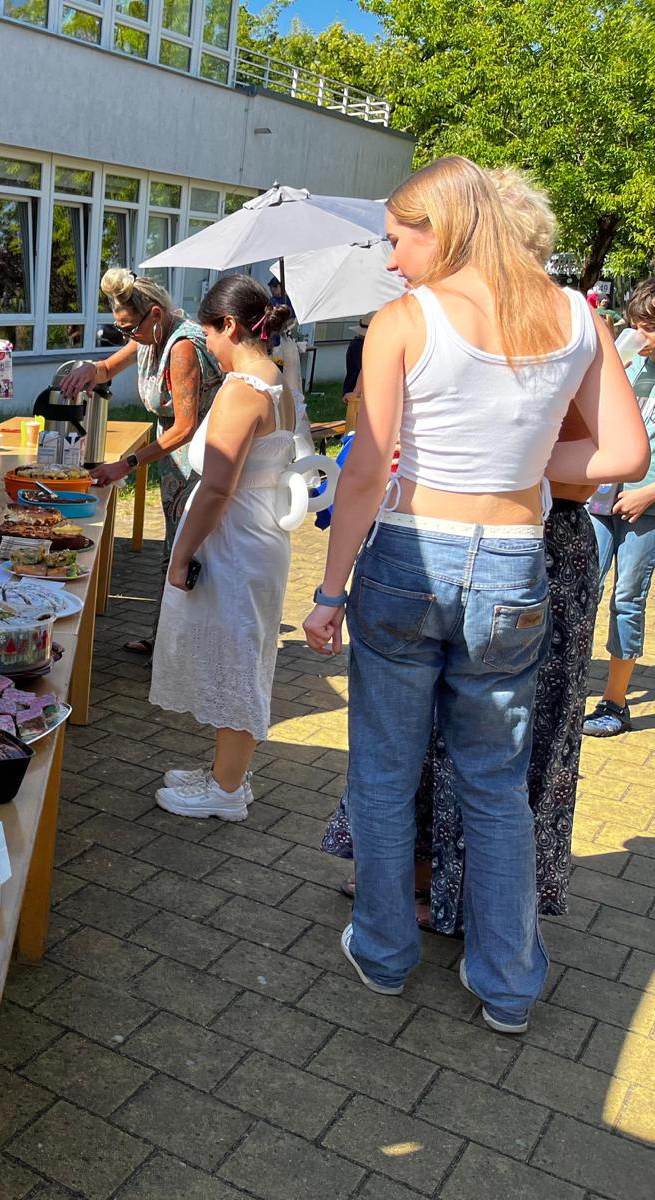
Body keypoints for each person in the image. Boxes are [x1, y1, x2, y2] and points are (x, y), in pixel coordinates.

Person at [301, 156, 645, 1035]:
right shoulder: (575, 315)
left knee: (383, 767)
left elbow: (370, 467)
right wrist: (525, 465)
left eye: (397, 238)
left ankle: (382, 951)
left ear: (441, 229)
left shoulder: (403, 321)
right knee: (495, 783)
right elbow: (623, 458)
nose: (389, 259)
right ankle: (508, 985)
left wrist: (330, 589)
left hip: (411, 555)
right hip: (512, 565)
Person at [150, 276, 302, 820]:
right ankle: (224, 771)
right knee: (238, 651)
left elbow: (217, 485)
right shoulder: (274, 378)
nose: (206, 345)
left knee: (238, 658)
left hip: (235, 536)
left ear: (230, 326)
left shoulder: (244, 389)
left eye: (209, 333)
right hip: (253, 532)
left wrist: (181, 552)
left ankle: (228, 790)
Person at [63, 268, 224, 655]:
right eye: (119, 328)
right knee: (175, 549)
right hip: (175, 461)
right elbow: (108, 367)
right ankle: (169, 641)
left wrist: (127, 463)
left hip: (200, 460)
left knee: (189, 551)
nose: (126, 336)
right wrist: (90, 368)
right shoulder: (148, 334)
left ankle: (185, 649)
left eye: (129, 327)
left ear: (154, 313)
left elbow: (184, 428)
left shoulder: (183, 348)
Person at [583, 277, 655, 737]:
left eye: (648, 327)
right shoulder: (628, 364)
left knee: (627, 598)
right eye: (636, 324)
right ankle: (563, 686)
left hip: (645, 509)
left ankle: (614, 702)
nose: (640, 334)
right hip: (600, 500)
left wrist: (652, 492)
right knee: (580, 587)